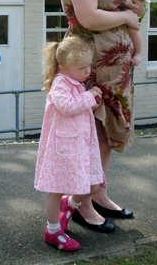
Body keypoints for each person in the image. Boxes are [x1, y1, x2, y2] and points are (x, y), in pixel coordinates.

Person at [59, 0, 146, 231]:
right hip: (94, 64)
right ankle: (80, 202)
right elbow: (89, 17)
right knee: (93, 136)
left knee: (105, 134)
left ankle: (98, 193)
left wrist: (130, 9)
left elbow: (108, 9)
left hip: (113, 67)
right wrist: (126, 14)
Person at [34, 35, 115, 251]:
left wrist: (92, 102)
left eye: (89, 65)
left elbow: (78, 111)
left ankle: (69, 205)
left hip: (79, 146)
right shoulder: (60, 83)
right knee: (57, 189)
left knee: (94, 184)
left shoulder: (76, 81)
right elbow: (67, 107)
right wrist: (89, 96)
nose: (87, 72)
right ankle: (52, 231)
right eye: (82, 68)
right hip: (62, 148)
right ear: (63, 67)